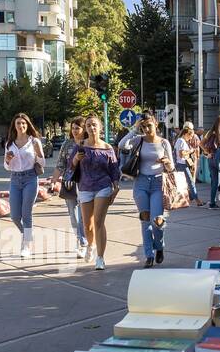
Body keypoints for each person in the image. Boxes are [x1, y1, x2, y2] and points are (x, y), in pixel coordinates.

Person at [123, 114, 176, 267]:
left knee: (157, 220)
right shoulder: (139, 139)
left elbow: (172, 168)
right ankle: (148, 255)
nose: (146, 129)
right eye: (143, 127)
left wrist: (166, 162)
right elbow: (122, 145)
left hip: (158, 183)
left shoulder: (164, 143)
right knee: (145, 220)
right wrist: (134, 129)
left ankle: (159, 246)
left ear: (156, 125)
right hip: (141, 183)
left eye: (149, 126)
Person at [71, 114, 120, 271]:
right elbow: (70, 167)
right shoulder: (80, 145)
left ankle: (100, 258)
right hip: (85, 187)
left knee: (99, 222)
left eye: (94, 125)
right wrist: (76, 159)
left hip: (103, 187)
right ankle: (90, 245)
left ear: (100, 127)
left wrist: (115, 187)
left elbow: (113, 169)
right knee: (88, 226)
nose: (92, 128)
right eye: (89, 125)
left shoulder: (107, 148)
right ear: (85, 128)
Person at [3, 113, 45, 257]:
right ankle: (27, 235)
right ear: (14, 126)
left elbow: (42, 164)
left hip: (30, 178)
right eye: (18, 124)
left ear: (27, 125)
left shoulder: (34, 142)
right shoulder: (9, 143)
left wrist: (39, 153)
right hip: (15, 179)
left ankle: (26, 245)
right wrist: (8, 160)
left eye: (23, 123)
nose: (21, 126)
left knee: (26, 213)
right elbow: (6, 167)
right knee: (15, 216)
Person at [52, 117, 89, 259]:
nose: (74, 131)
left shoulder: (88, 143)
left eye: (77, 128)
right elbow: (60, 164)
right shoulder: (67, 144)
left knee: (83, 216)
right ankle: (80, 240)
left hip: (86, 183)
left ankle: (84, 242)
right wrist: (54, 180)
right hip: (70, 183)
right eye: (73, 128)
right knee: (73, 216)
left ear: (83, 129)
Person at [174, 122, 205, 206]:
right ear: (186, 134)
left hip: (181, 164)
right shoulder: (181, 141)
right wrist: (191, 151)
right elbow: (181, 154)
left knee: (185, 184)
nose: (191, 138)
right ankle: (197, 200)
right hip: (182, 164)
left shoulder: (180, 140)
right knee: (191, 183)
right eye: (190, 136)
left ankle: (187, 199)